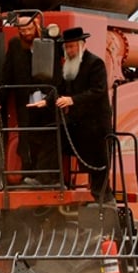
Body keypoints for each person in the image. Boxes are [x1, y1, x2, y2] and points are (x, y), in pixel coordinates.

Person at [33, 26, 111, 201]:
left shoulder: (95, 63)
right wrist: (46, 101)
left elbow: (98, 91)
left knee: (98, 163)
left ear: (82, 45)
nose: (69, 50)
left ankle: (102, 197)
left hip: (95, 124)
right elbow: (59, 88)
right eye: (67, 47)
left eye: (72, 46)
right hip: (76, 122)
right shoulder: (68, 66)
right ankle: (45, 178)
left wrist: (72, 100)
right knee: (53, 133)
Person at [0, 15, 57, 184]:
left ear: (36, 27)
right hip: (25, 98)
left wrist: (53, 97)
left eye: (29, 30)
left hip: (46, 98)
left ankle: (46, 176)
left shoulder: (47, 43)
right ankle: (28, 173)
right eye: (22, 31)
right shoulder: (15, 45)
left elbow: (58, 73)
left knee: (47, 136)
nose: (26, 34)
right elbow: (7, 74)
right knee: (27, 138)